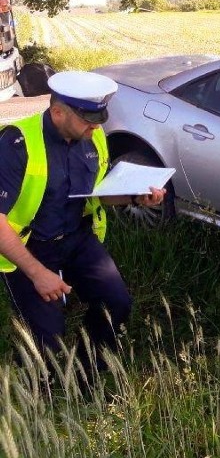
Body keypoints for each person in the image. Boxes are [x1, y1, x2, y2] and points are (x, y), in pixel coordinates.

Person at [0, 71, 165, 376]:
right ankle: (42, 389)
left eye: (100, 118)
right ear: (58, 112)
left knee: (116, 303)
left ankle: (89, 375)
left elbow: (96, 196)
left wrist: (134, 198)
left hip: (77, 238)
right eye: (88, 119)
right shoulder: (15, 144)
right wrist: (37, 274)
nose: (96, 126)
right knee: (48, 341)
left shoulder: (93, 135)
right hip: (29, 248)